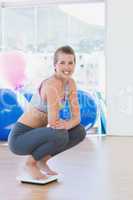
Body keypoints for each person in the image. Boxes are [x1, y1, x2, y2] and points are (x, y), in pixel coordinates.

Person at [8, 45, 86, 180]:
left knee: (79, 131)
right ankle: (30, 163)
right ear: (55, 65)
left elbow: (77, 118)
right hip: (20, 138)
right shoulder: (52, 84)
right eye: (62, 63)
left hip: (38, 135)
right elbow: (52, 122)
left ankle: (42, 160)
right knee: (60, 134)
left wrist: (68, 125)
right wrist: (66, 125)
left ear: (75, 64)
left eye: (70, 63)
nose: (67, 67)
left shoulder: (71, 83)